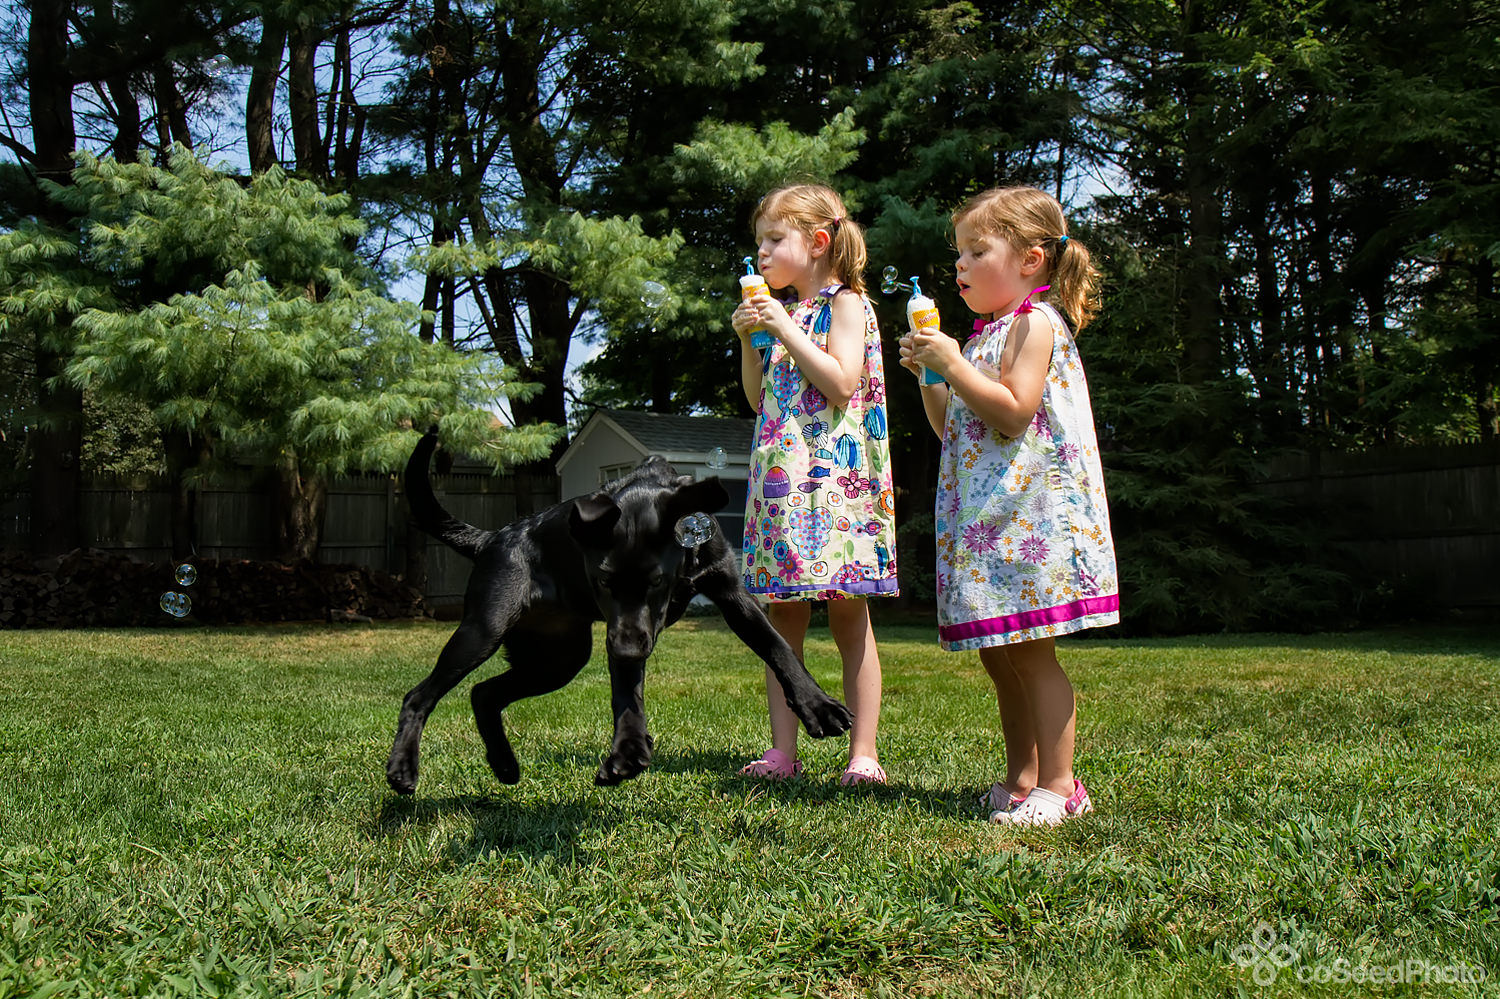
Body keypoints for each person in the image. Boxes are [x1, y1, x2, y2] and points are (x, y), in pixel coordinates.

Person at [899, 186, 1119, 826]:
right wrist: (933, 376)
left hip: (1032, 517)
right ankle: (1022, 778)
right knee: (1000, 651)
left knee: (1031, 651)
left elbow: (1015, 410)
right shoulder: (980, 340)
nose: (960, 266)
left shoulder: (1036, 324)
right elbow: (953, 428)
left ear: (1029, 259)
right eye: (957, 253)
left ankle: (1061, 785)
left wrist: (956, 367)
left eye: (976, 250)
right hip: (989, 518)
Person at [731, 183, 899, 786]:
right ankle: (783, 752)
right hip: (782, 487)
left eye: (775, 240)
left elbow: (840, 382)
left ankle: (864, 753)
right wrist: (752, 343)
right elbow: (758, 401)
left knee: (851, 621)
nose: (762, 254)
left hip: (840, 493)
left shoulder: (847, 304)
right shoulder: (785, 316)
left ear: (819, 242)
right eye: (759, 243)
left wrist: (782, 327)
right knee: (783, 626)